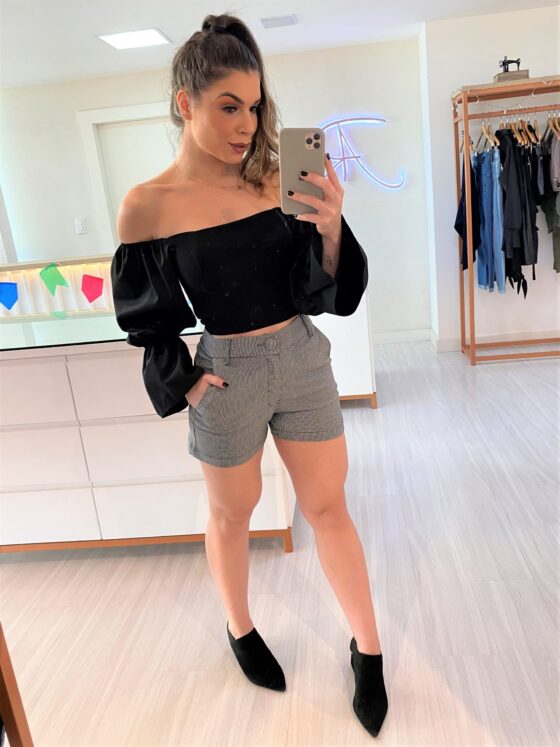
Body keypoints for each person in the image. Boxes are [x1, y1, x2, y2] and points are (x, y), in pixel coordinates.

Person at [110, 12, 388, 739]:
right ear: (185, 102)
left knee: (329, 509)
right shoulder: (147, 206)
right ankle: (240, 628)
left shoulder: (275, 178)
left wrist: (331, 225)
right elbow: (145, 316)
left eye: (256, 107)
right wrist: (186, 380)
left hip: (299, 358)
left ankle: (368, 649)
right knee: (232, 514)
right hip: (225, 372)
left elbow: (325, 290)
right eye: (229, 105)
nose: (247, 124)